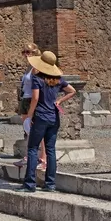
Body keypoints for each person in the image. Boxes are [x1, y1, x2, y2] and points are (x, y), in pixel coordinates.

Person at [16, 51, 77, 193]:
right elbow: (72, 90)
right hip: (54, 118)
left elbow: (35, 98)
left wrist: (30, 116)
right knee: (51, 150)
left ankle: (30, 183)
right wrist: (59, 101)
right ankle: (50, 184)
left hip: (41, 116)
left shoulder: (38, 79)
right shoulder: (58, 79)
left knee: (32, 148)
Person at [14, 43, 46, 169]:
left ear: (35, 53)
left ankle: (43, 157)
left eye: (28, 52)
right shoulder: (29, 67)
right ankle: (28, 156)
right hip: (25, 99)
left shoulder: (37, 68)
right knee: (27, 130)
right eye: (24, 52)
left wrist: (34, 105)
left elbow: (38, 88)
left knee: (38, 130)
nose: (25, 55)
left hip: (32, 99)